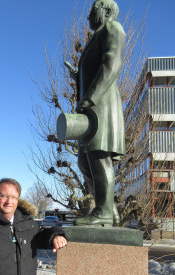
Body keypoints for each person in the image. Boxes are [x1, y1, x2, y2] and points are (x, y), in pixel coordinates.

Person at [73, 0, 126, 226]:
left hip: (101, 104)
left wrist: (90, 97)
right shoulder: (96, 37)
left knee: (99, 155)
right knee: (85, 162)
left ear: (106, 11)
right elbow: (95, 68)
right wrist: (78, 75)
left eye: (92, 11)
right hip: (92, 105)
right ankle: (109, 210)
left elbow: (112, 64)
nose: (88, 17)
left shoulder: (113, 28)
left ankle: (103, 211)